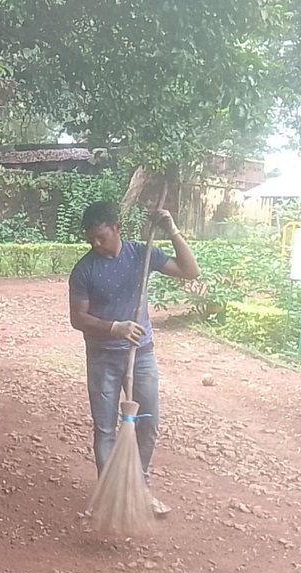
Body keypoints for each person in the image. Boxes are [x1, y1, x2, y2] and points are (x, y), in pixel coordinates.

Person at [68, 201, 200, 517]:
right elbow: (78, 318)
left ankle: (140, 489)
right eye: (90, 239)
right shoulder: (84, 270)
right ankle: (109, 495)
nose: (95, 244)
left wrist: (172, 230)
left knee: (148, 423)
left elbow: (190, 271)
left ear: (118, 229)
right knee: (105, 428)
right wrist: (114, 327)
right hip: (102, 357)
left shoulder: (142, 254)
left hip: (141, 355)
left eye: (101, 237)